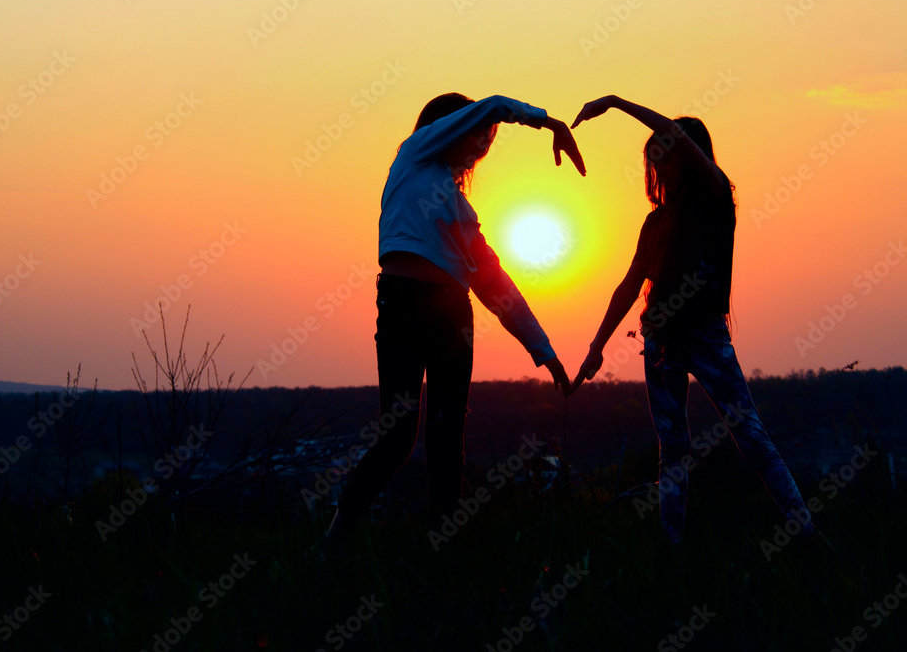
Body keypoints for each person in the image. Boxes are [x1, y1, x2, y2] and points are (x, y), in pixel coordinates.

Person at [317, 93, 583, 555]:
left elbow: (496, 285)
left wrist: (544, 351)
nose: (485, 143)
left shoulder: (462, 212)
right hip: (402, 302)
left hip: (452, 314)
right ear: (448, 128)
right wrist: (548, 123)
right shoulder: (413, 154)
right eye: (480, 132)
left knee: (445, 440)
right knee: (397, 438)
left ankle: (442, 553)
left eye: (490, 138)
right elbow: (496, 103)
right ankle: (332, 543)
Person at [567, 95, 815, 546]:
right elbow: (629, 285)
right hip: (660, 342)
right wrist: (597, 345)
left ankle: (807, 535)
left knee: (751, 438)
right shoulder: (655, 222)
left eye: (665, 156)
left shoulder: (718, 199)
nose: (658, 166)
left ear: (685, 156)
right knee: (673, 449)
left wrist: (618, 103)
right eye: (654, 159)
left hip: (705, 335)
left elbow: (677, 135)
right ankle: (672, 551)